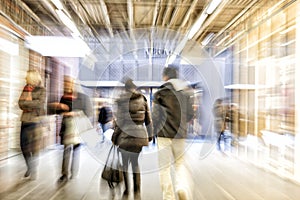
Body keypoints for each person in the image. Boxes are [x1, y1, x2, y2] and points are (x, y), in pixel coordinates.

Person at [152, 66, 194, 200]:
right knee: (179, 163)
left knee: (164, 168)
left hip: (163, 135)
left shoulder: (160, 93)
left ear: (165, 77)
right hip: (180, 135)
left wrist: (153, 132)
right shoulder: (185, 93)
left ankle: (168, 197)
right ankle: (181, 186)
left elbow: (155, 116)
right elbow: (190, 114)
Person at [111, 78, 153, 196]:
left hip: (125, 136)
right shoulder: (142, 99)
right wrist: (150, 135)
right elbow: (148, 120)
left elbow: (119, 123)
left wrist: (114, 138)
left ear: (125, 88)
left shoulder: (122, 101)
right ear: (134, 88)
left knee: (125, 164)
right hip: (139, 136)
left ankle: (126, 190)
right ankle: (137, 189)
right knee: (135, 162)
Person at [53, 75, 93, 182]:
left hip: (78, 128)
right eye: (65, 83)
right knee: (66, 150)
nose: (66, 85)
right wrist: (60, 108)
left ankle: (74, 171)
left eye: (69, 83)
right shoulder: (64, 97)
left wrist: (75, 113)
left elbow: (89, 112)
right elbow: (59, 112)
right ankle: (64, 174)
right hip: (67, 127)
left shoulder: (83, 97)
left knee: (76, 150)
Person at [18, 69, 46, 179]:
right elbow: (20, 104)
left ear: (32, 78)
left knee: (34, 148)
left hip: (36, 121)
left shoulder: (42, 90)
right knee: (23, 146)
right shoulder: (26, 88)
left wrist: (27, 103)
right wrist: (29, 103)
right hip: (25, 120)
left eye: (27, 77)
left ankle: (33, 168)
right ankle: (30, 166)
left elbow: (39, 104)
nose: (25, 78)